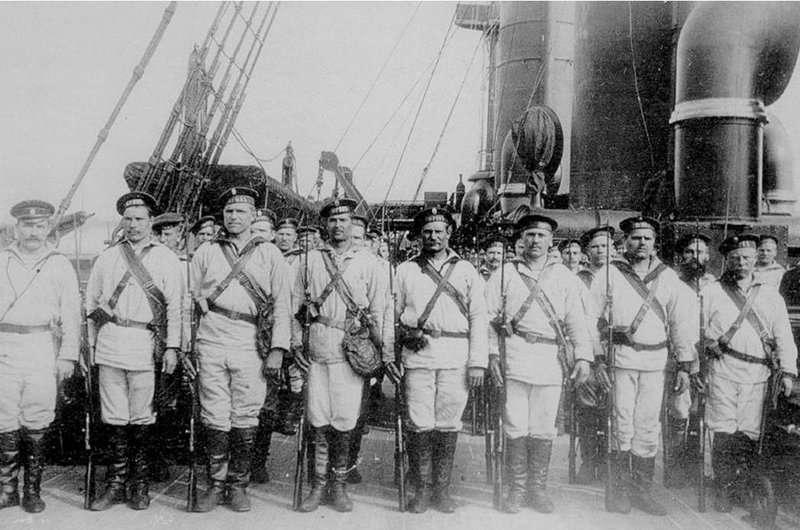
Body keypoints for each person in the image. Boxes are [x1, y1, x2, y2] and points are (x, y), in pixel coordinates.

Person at [190, 187, 292, 513]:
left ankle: (237, 485)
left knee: (246, 412)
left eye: (241, 212)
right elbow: (190, 297)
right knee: (214, 413)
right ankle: (215, 484)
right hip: (211, 338)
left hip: (250, 341)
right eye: (229, 211)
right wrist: (190, 344)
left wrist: (278, 348)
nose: (234, 217)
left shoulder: (269, 253)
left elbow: (282, 304)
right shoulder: (207, 251)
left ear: (253, 216)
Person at [587, 216, 697, 516]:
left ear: (655, 243)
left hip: (655, 362)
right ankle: (619, 491)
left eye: (647, 238)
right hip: (620, 360)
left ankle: (641, 491)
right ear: (625, 242)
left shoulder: (668, 277)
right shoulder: (609, 273)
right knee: (621, 423)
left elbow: (681, 323)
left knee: (647, 426)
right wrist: (597, 360)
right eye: (635, 238)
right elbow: (589, 319)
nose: (641, 243)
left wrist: (685, 366)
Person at [293, 197, 393, 513]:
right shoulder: (308, 260)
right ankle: (317, 486)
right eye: (332, 220)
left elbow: (379, 310)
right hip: (318, 351)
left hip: (352, 353)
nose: (338, 225)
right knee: (318, 419)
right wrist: (296, 345)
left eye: (344, 220)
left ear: (353, 224)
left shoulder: (369, 262)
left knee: (346, 420)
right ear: (325, 224)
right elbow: (293, 306)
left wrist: (384, 352)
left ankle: (338, 486)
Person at [485, 214, 591, 513]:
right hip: (515, 355)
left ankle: (537, 490)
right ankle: (517, 490)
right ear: (521, 239)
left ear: (550, 240)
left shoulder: (563, 276)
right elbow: (487, 319)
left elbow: (576, 320)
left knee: (543, 426)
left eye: (541, 236)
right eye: (529, 235)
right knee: (515, 424)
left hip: (549, 359)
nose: (535, 241)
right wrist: (492, 355)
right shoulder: (504, 273)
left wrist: (583, 357)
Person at [85, 192, 183, 511]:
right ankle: (116, 483)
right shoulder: (108, 257)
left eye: (140, 219)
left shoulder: (166, 258)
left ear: (151, 221)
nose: (133, 225)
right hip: (111, 341)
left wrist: (172, 347)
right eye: (128, 219)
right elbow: (91, 304)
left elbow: (175, 307)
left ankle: (139, 483)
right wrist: (91, 346)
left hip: (144, 343)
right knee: (114, 415)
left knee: (142, 416)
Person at [393, 207, 487, 514]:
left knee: (448, 421)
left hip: (456, 355)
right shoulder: (406, 270)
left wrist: (477, 362)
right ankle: (422, 489)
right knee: (420, 421)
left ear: (449, 233)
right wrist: (399, 340)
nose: (433, 237)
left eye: (439, 231)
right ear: (420, 235)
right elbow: (392, 313)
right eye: (427, 232)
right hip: (418, 354)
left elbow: (479, 317)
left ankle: (441, 490)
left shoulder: (467, 270)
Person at [700, 235, 797, 512]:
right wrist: (703, 358)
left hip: (758, 373)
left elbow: (783, 335)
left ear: (755, 260)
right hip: (723, 369)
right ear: (726, 261)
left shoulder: (770, 295)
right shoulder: (712, 293)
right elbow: (698, 330)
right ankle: (724, 487)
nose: (741, 262)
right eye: (735, 258)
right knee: (724, 427)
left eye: (746, 257)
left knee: (749, 430)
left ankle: (742, 486)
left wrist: (788, 371)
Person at [0, 200, 80, 513]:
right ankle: (7, 488)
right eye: (27, 225)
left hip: (41, 345)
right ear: (16, 228)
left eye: (39, 225)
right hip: (5, 345)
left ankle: (32, 490)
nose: (33, 231)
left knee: (37, 416)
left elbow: (70, 313)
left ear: (48, 228)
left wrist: (68, 355)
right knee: (4, 416)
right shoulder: (3, 260)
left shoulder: (58, 264)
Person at [251, 217, 303, 484]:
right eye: (254, 230)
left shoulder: (290, 262)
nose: (257, 235)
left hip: (273, 337)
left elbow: (289, 305)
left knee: (267, 399)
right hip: (245, 337)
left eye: (263, 230)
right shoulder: (245, 258)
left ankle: (258, 461)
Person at [663, 232, 716, 488]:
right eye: (689, 252)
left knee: (704, 410)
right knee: (679, 410)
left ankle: (699, 467)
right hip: (679, 358)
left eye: (700, 252)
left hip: (709, 358)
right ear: (680, 256)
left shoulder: (715, 286)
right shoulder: (671, 284)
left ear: (708, 255)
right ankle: (675, 467)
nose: (695, 257)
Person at [572, 226, 615, 485]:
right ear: (587, 251)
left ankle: (611, 460)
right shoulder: (579, 279)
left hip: (616, 348)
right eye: (595, 247)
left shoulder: (621, 275)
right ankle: (589, 460)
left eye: (605, 246)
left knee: (616, 402)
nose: (600, 251)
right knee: (587, 397)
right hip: (588, 348)